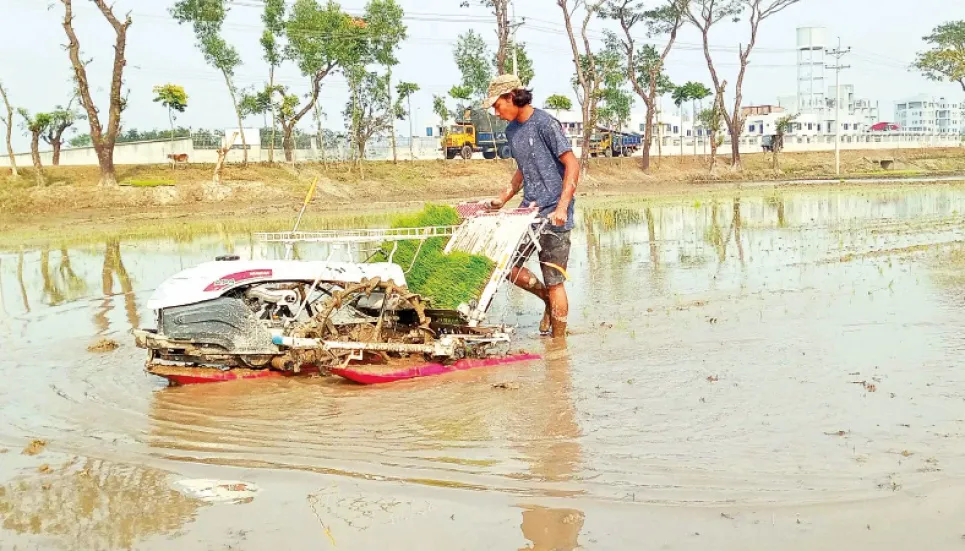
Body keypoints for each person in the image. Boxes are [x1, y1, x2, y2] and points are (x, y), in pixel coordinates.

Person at [480, 74, 580, 338]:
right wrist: (505, 196)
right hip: (528, 212)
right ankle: (545, 298)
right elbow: (522, 169)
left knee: (555, 280)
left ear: (511, 97)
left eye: (497, 105)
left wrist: (562, 207)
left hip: (554, 213)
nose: (496, 112)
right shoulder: (511, 131)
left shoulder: (546, 124)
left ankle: (558, 346)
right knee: (504, 267)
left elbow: (572, 163)